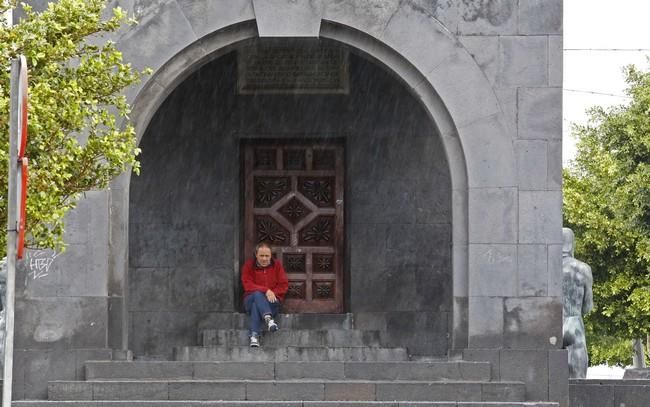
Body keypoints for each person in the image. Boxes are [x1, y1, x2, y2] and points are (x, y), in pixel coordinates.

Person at [241, 242, 289, 347]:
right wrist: (266, 290)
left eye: (267, 256)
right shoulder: (249, 265)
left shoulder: (277, 265)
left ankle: (254, 336)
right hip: (250, 299)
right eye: (261, 256)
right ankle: (268, 319)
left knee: (256, 305)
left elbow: (283, 285)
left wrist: (273, 293)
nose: (264, 259)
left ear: (271, 256)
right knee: (257, 295)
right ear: (256, 255)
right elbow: (247, 285)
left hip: (272, 302)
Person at [561, 227, 594, 378]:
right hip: (574, 324)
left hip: (550, 327)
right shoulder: (583, 269)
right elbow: (588, 307)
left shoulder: (547, 269)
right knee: (577, 379)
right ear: (571, 244)